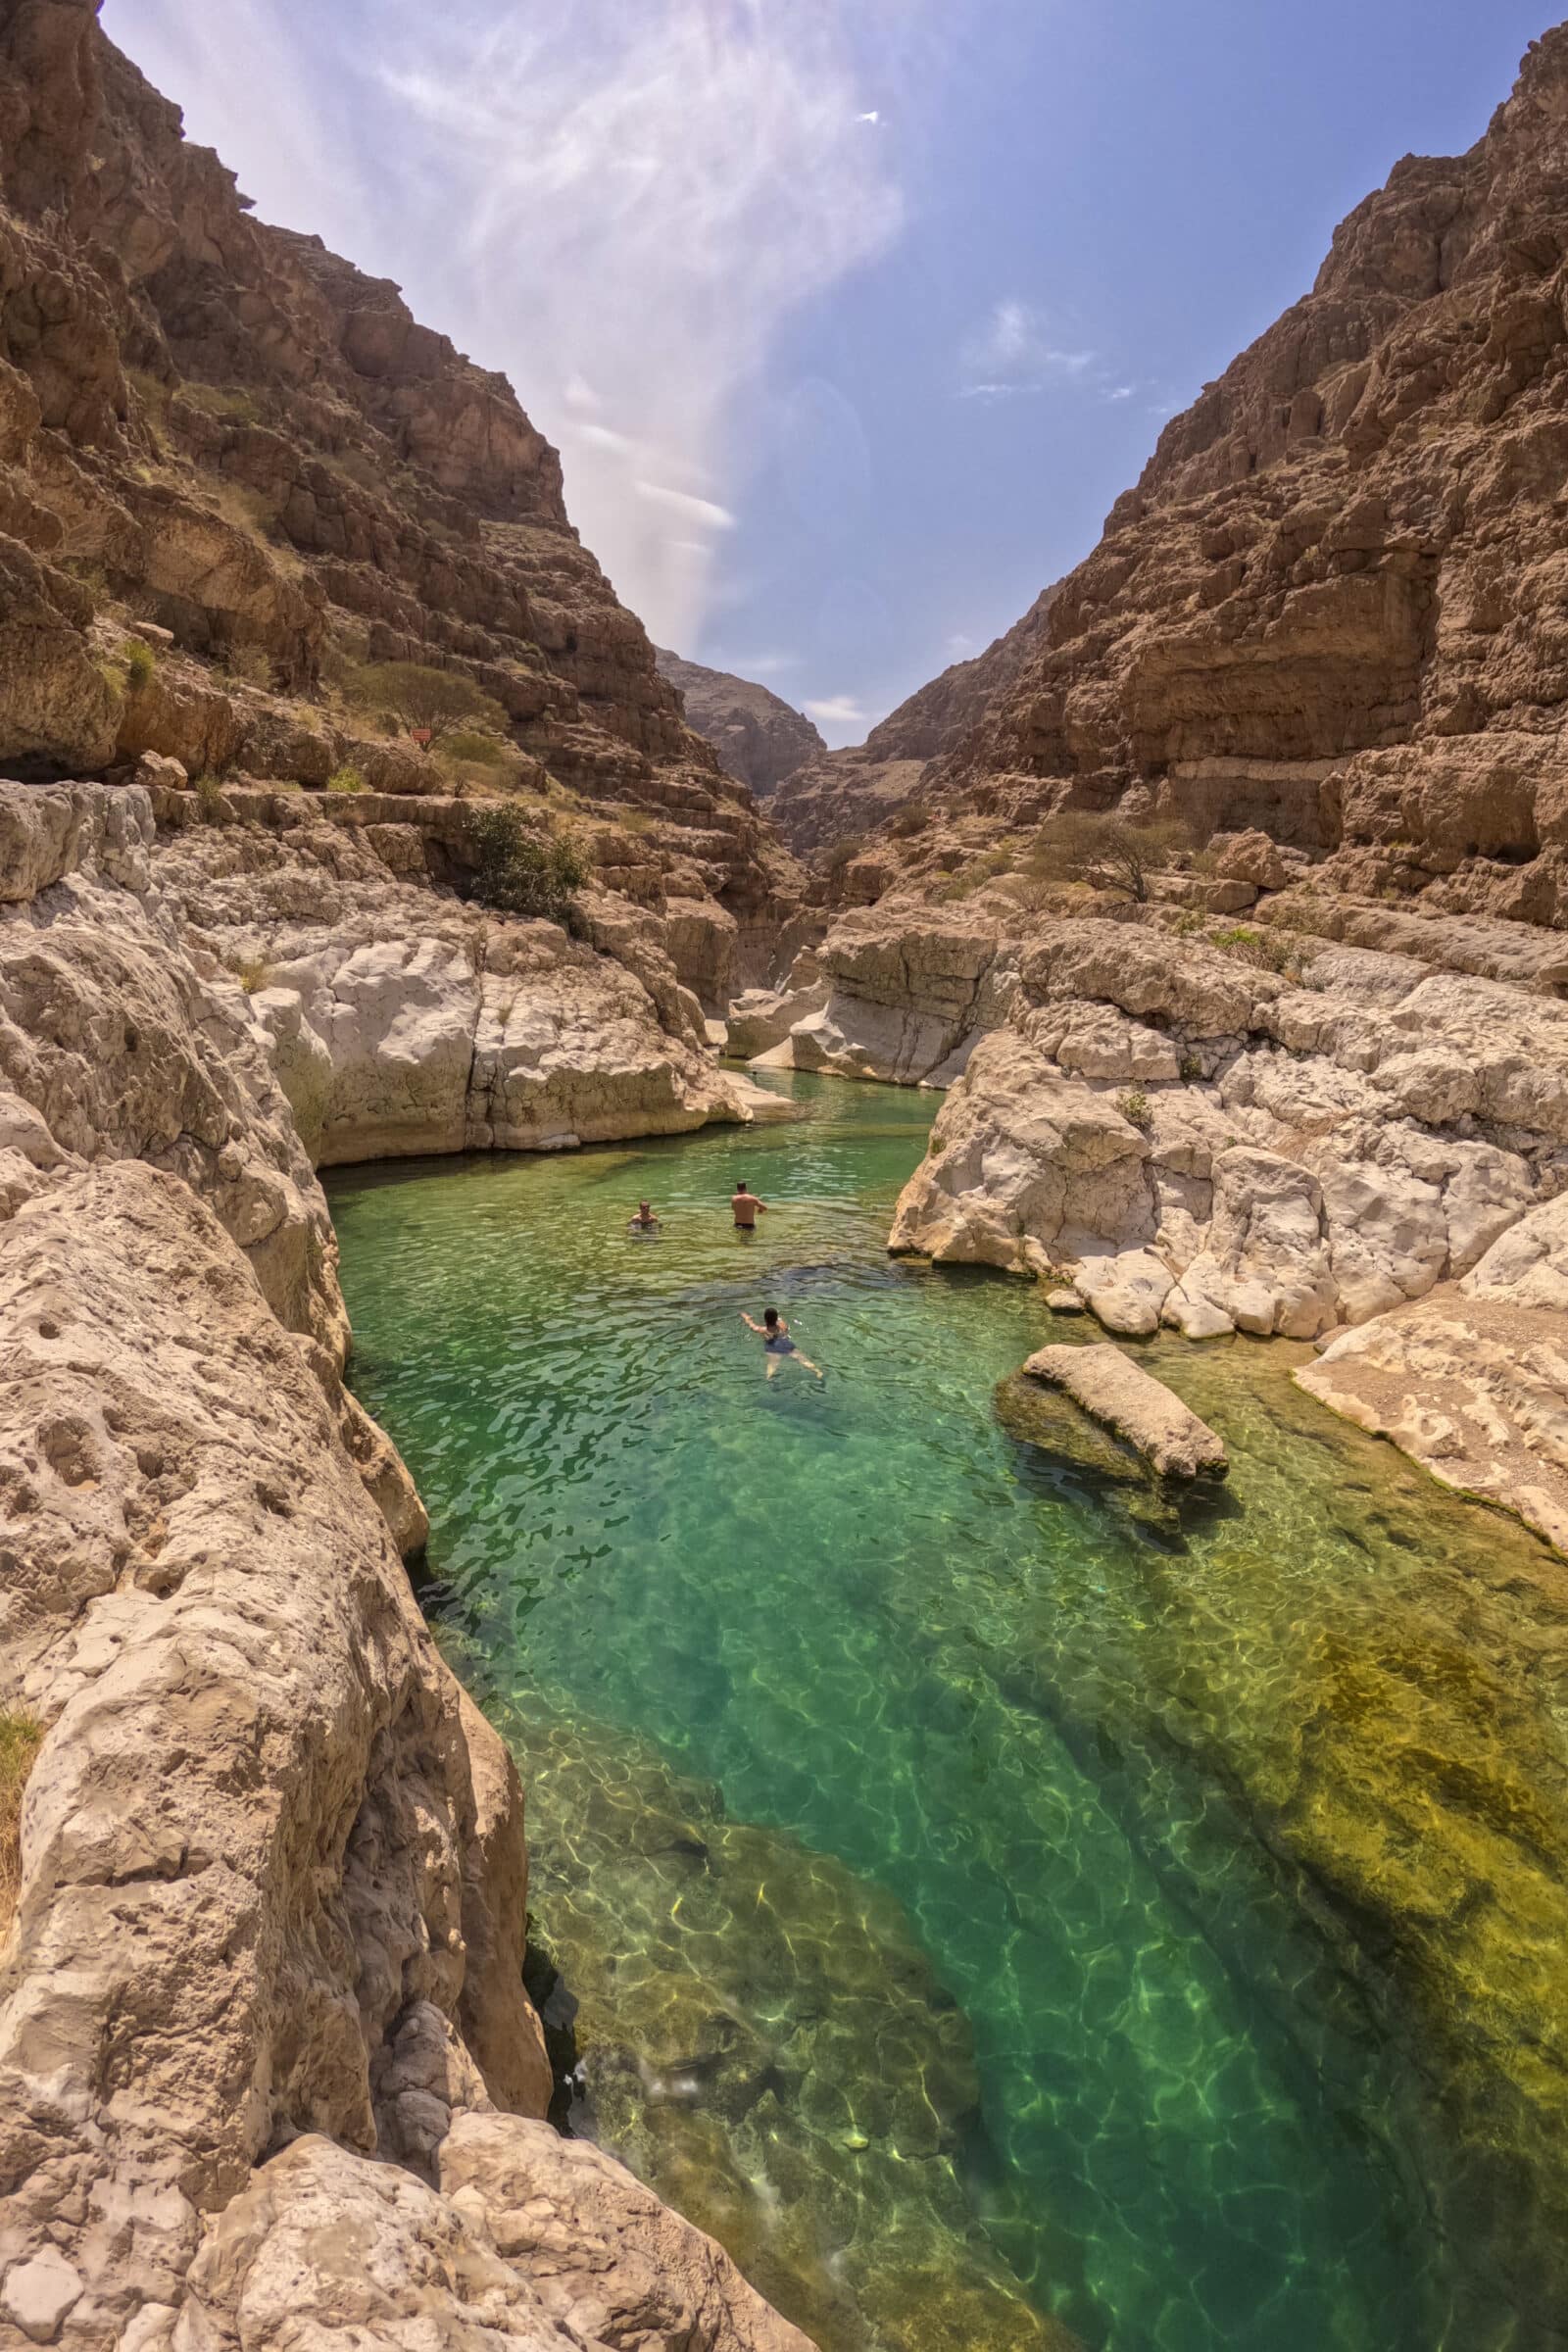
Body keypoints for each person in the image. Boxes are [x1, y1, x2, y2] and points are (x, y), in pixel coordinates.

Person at [741, 1306, 822, 1381]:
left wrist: (746, 1318)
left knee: (772, 1365)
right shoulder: (783, 1325)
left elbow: (751, 1325)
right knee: (802, 1358)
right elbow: (784, 1326)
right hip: (785, 1344)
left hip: (772, 1346)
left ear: (765, 1319)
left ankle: (769, 1378)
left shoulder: (762, 1329)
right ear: (776, 1318)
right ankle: (817, 1371)